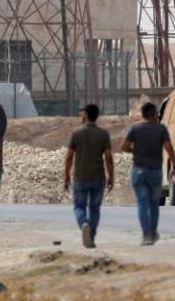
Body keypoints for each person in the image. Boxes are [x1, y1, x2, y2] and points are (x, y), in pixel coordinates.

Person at [122, 102, 175, 246]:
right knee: (154, 205)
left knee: (142, 203)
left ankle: (146, 235)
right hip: (155, 172)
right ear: (155, 115)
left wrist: (135, 151)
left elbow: (125, 147)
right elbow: (168, 147)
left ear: (142, 114)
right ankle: (153, 233)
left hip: (139, 171)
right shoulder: (161, 129)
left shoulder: (135, 129)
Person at [63, 103, 114, 249]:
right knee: (95, 209)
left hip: (80, 177)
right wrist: (111, 177)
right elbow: (109, 157)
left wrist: (66, 175)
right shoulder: (103, 134)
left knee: (79, 206)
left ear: (85, 115)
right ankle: (91, 236)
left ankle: (83, 223)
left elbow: (69, 157)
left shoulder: (76, 133)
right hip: (98, 177)